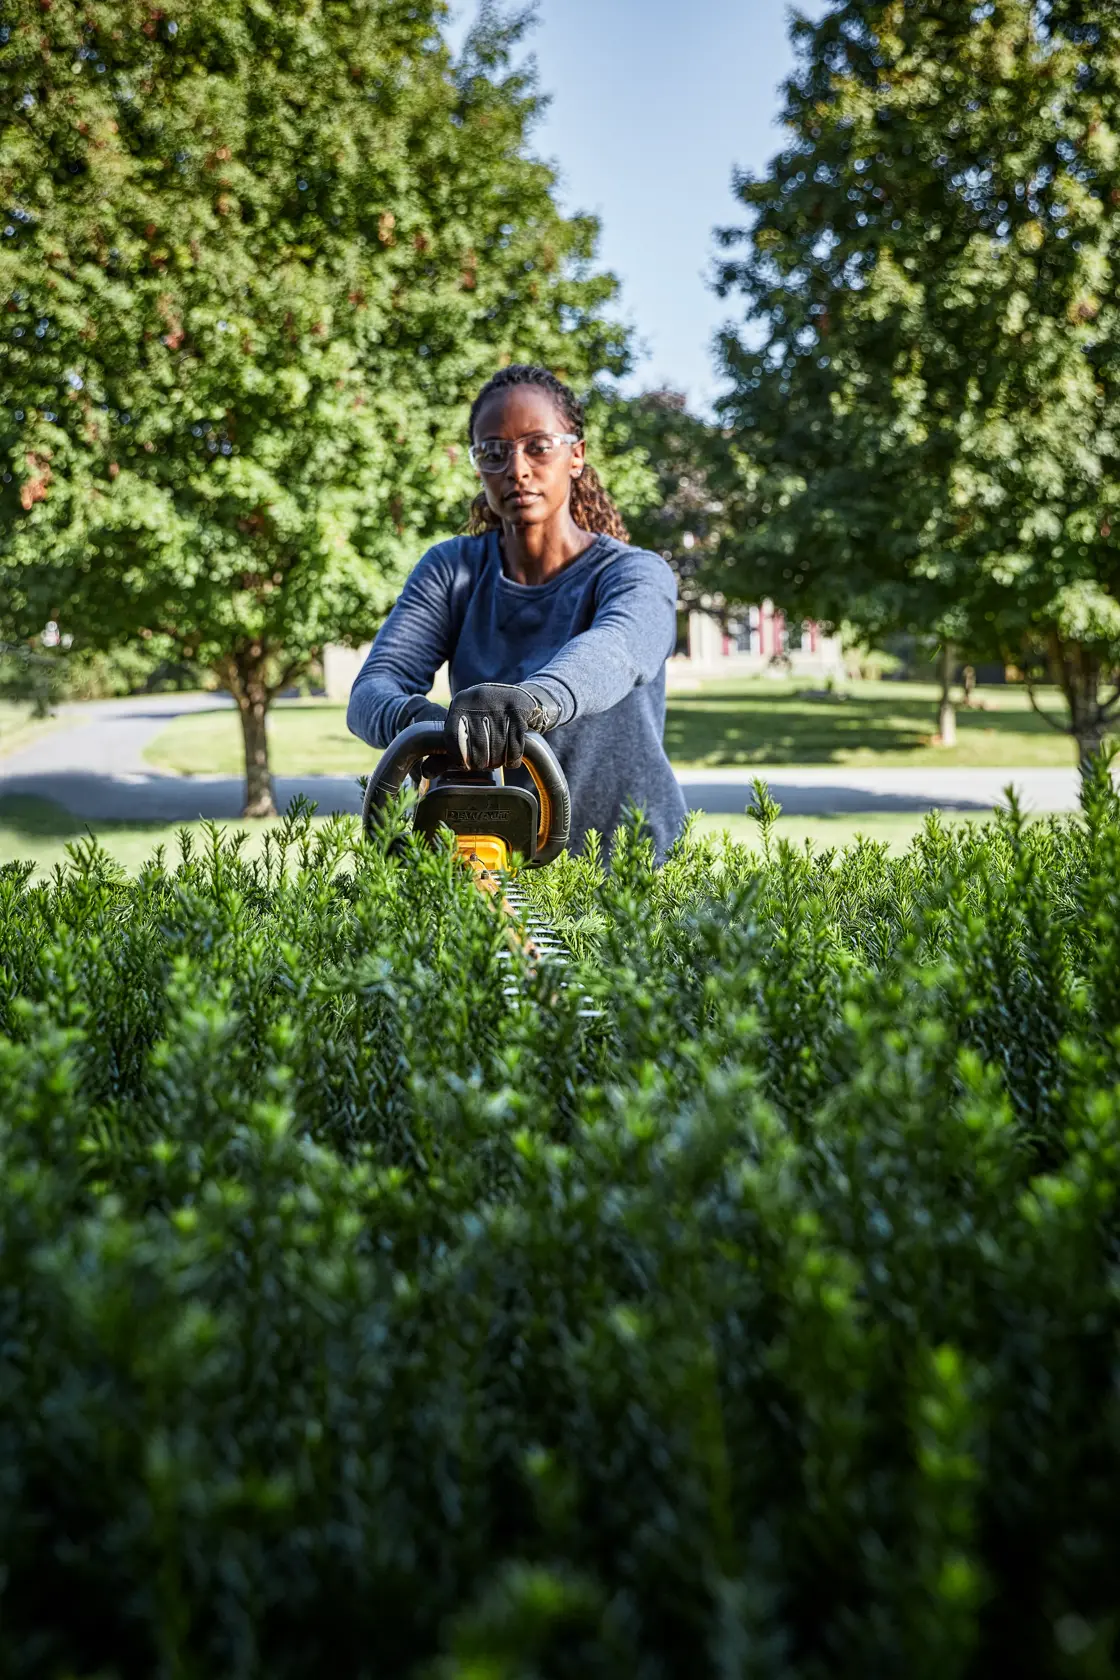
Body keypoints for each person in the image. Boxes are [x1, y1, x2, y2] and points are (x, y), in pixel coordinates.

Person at [346, 364, 688, 860]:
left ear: (577, 455)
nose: (518, 469)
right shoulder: (452, 570)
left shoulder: (636, 574)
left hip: (633, 864)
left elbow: (616, 650)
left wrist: (526, 703)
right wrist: (421, 724)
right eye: (493, 452)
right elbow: (371, 691)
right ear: (477, 464)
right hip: (493, 862)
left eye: (538, 445)